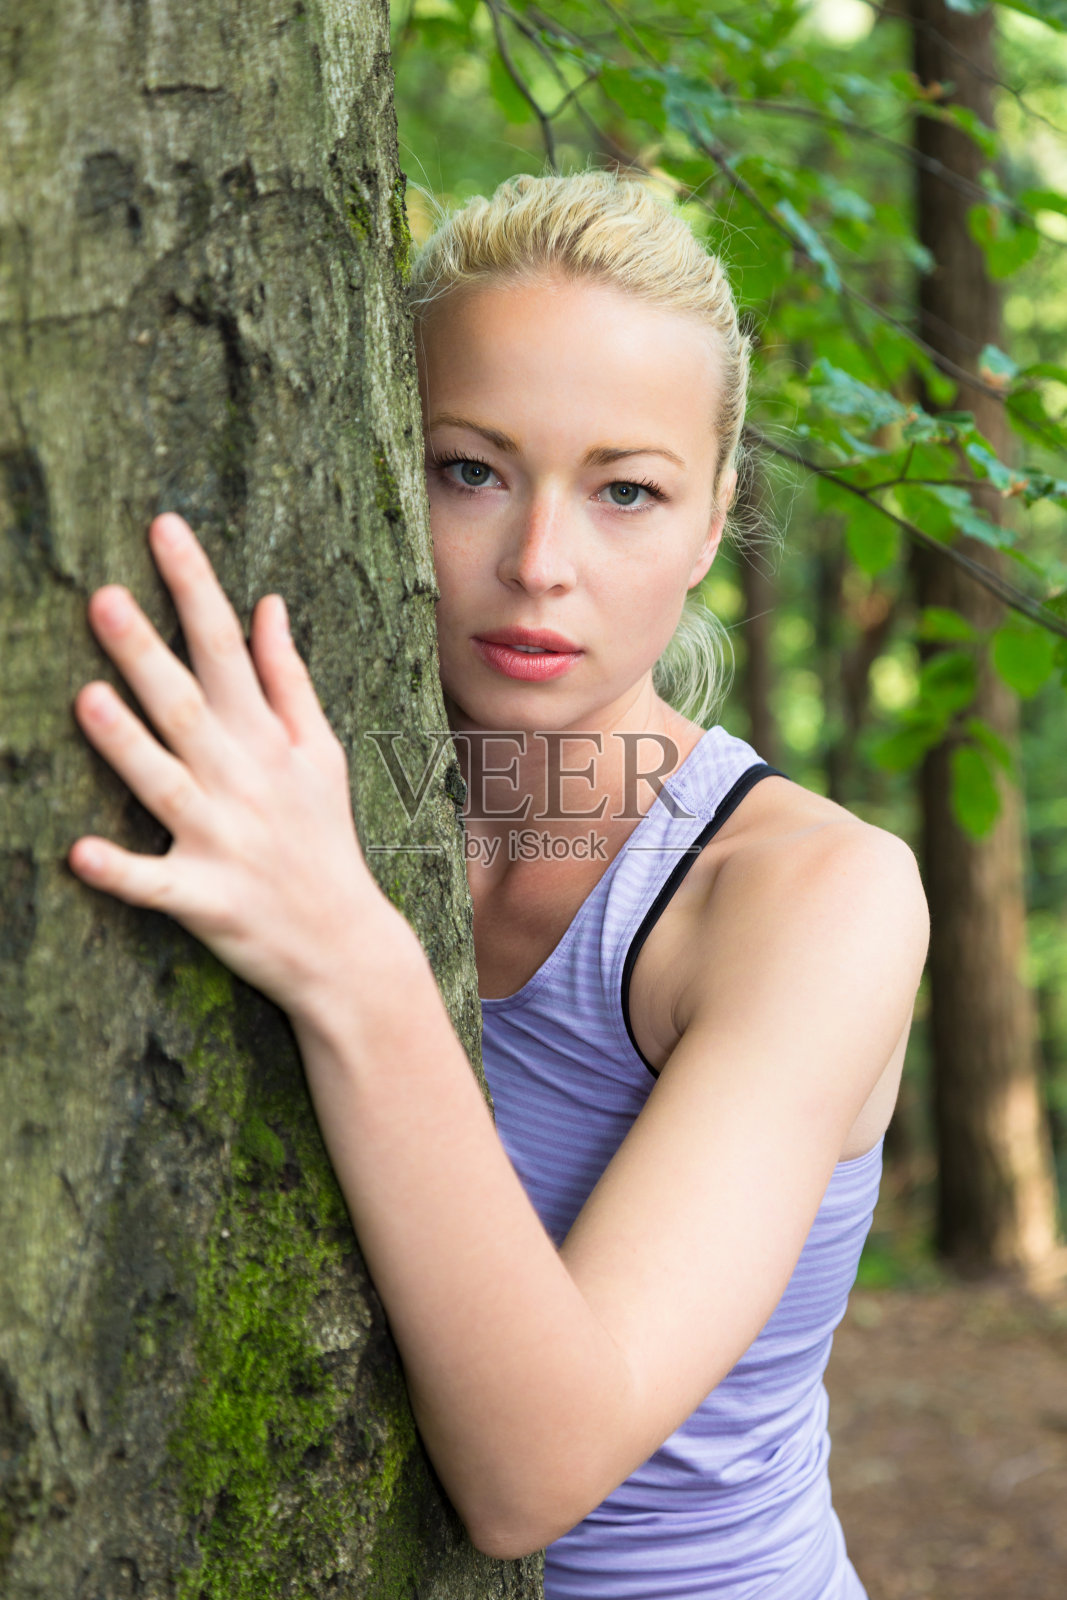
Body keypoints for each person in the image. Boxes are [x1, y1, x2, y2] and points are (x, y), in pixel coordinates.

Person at [68, 170, 929, 1598]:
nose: (539, 565)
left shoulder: (815, 898)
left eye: (627, 492)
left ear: (714, 519)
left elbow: (538, 1471)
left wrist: (350, 955)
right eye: (469, 468)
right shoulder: (324, 792)